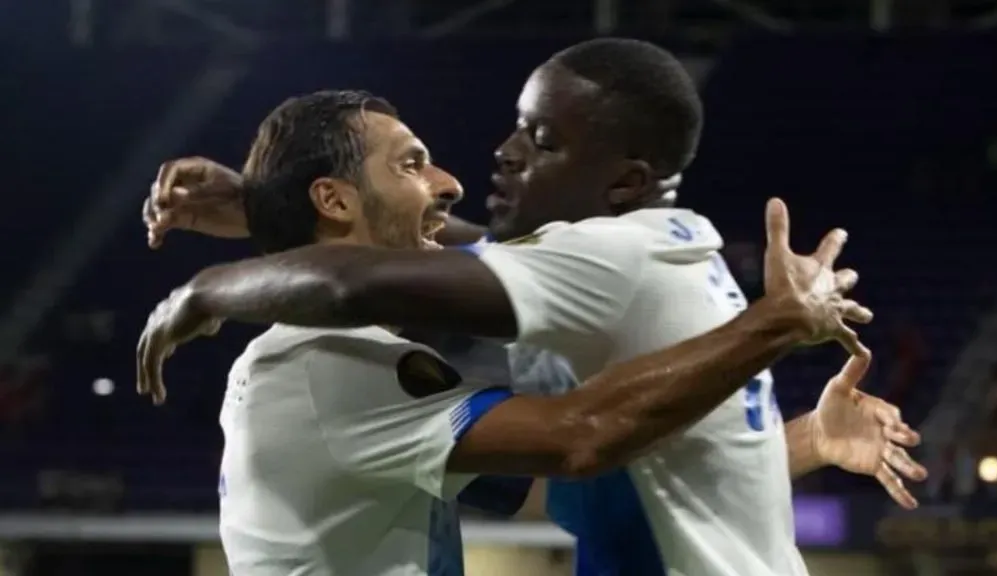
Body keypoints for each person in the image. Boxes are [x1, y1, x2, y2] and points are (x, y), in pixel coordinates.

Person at [140, 41, 923, 576]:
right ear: (335, 199)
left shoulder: (605, 264)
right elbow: (587, 444)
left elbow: (597, 467)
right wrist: (775, 332)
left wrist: (237, 251)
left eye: (539, 138)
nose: (456, 180)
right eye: (412, 165)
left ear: (626, 179)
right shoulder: (335, 364)